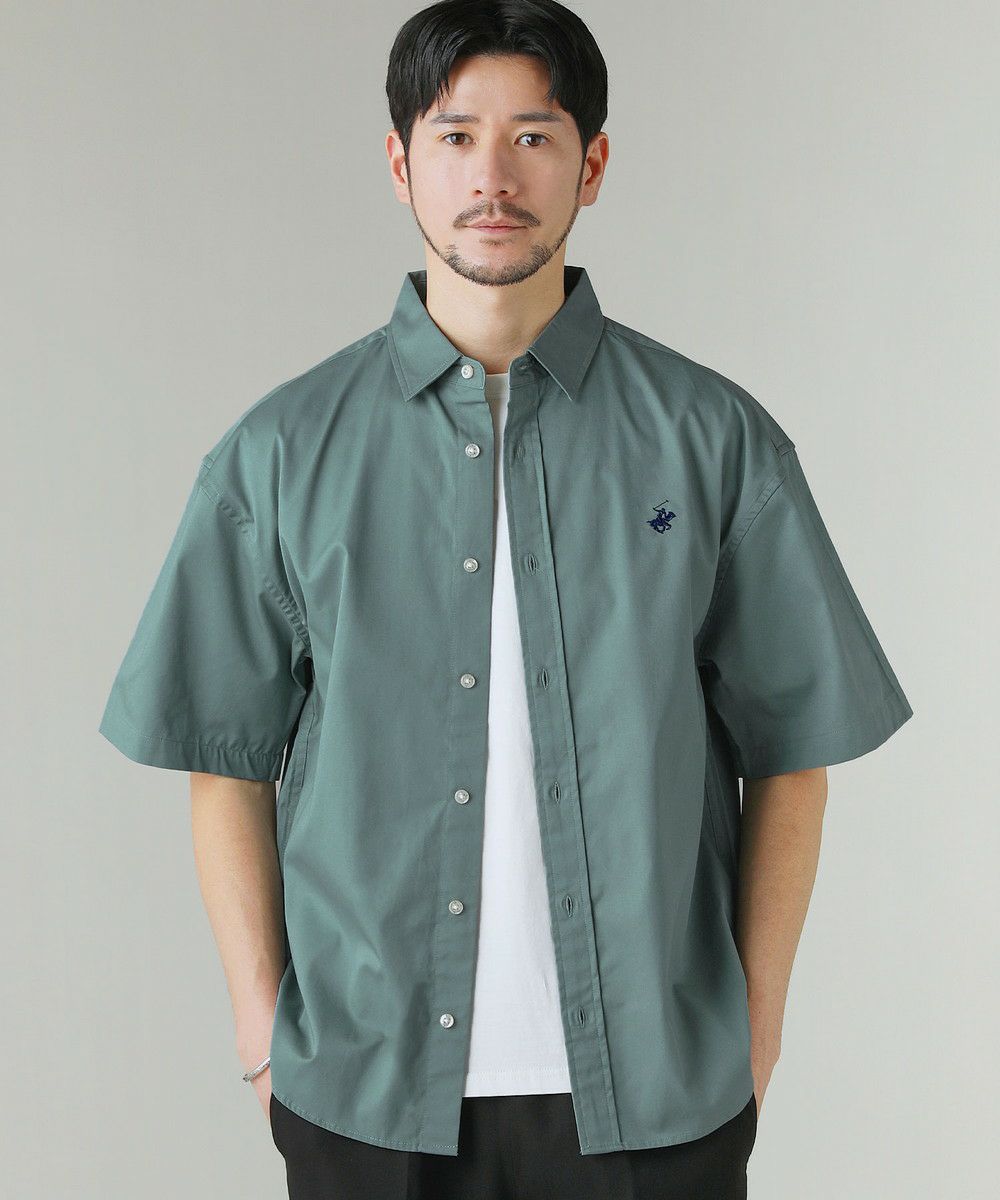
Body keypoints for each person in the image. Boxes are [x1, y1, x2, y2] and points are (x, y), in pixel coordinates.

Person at [98, 1, 914, 1196]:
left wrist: (755, 1027)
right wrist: (259, 1028)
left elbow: (794, 753)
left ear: (592, 164)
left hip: (653, 1098)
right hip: (367, 1098)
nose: (492, 177)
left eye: (533, 137)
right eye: (454, 136)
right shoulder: (278, 456)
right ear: (399, 164)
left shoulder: (712, 441)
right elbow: (225, 758)